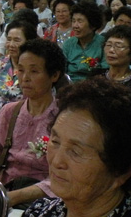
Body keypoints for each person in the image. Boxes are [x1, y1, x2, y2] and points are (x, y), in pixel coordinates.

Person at [0, 38, 65, 209]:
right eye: (21, 70)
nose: (24, 78)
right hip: (5, 190)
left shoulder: (64, 118)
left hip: (45, 199)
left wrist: (15, 197)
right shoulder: (9, 112)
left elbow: (66, 175)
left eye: (34, 71)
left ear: (54, 75)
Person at [23, 77, 131, 216]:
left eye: (75, 152)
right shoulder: (39, 211)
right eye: (55, 142)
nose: (56, 162)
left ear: (120, 171)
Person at [0, 21, 39, 156]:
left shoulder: (36, 68)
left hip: (20, 122)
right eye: (9, 39)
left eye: (17, 40)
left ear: (29, 42)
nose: (11, 44)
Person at [62, 0, 107, 82]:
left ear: (93, 25)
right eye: (73, 21)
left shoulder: (103, 43)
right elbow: (62, 72)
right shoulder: (68, 44)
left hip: (95, 85)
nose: (75, 26)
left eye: (80, 21)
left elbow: (105, 72)